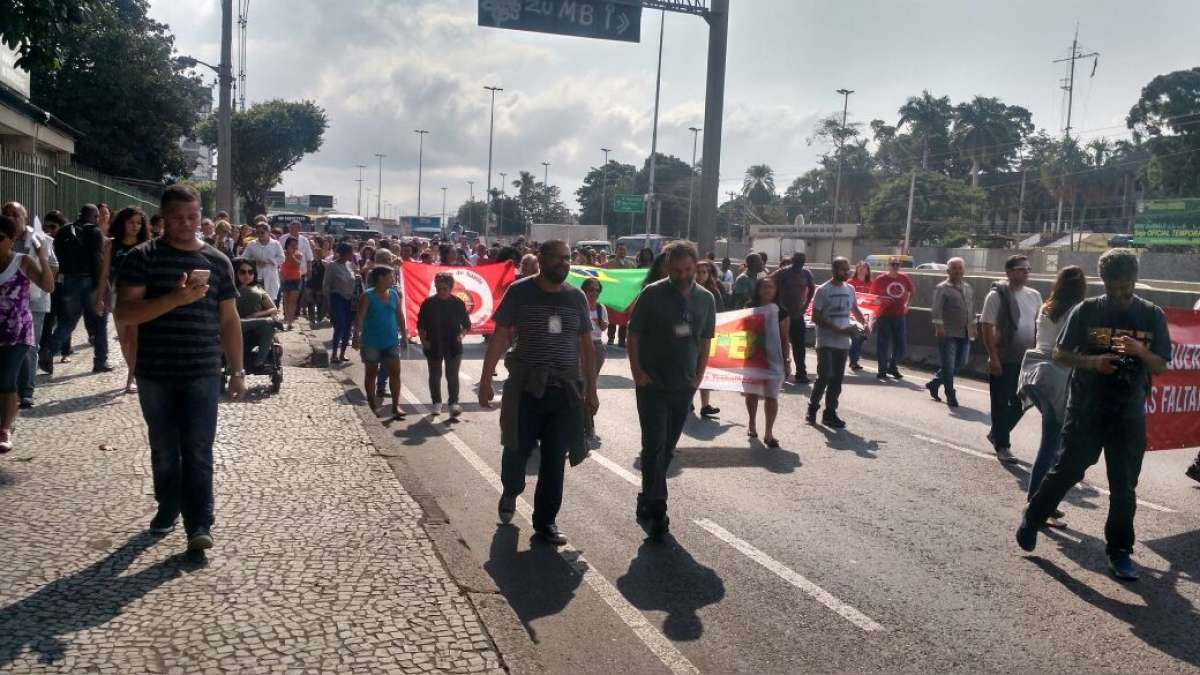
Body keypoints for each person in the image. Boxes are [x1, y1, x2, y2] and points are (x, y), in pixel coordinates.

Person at [1017, 249, 1170, 581]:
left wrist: (1141, 351)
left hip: (1128, 411)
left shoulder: (1151, 315)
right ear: (1104, 282)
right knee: (1069, 468)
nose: (1119, 295)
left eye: (1126, 288)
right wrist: (1092, 363)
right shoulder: (1086, 311)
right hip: (1087, 407)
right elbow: (1058, 354)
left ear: (1134, 280)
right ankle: (1033, 515)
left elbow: (1161, 364)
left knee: (1124, 485)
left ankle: (1119, 551)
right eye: (1114, 288)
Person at [115, 185, 245, 555]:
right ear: (162, 218)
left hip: (203, 370)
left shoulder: (218, 261)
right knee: (164, 447)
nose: (186, 225)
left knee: (199, 449)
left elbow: (229, 319)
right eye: (177, 218)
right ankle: (168, 504)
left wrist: (237, 370)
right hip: (156, 371)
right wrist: (177, 298)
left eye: (192, 216)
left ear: (200, 213)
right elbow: (125, 313)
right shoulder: (142, 258)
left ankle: (199, 523)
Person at [479, 240, 599, 547]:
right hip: (526, 388)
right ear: (542, 259)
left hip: (564, 391)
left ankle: (546, 521)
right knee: (516, 449)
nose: (564, 263)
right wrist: (485, 380)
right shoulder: (519, 292)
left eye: (567, 258)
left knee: (555, 457)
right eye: (558, 258)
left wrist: (591, 390)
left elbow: (586, 344)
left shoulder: (576, 299)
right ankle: (510, 489)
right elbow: (502, 335)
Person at [628, 242, 716, 538]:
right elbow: (634, 333)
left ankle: (646, 495)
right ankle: (658, 509)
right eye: (677, 270)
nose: (683, 275)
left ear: (696, 266)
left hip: (683, 385)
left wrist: (698, 376)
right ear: (667, 267)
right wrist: (637, 372)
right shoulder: (652, 294)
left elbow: (705, 340)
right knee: (654, 443)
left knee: (666, 447)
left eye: (688, 270)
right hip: (652, 383)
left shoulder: (706, 299)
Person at [1018, 266, 1086, 528]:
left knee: (1052, 443)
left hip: (1036, 374)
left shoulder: (1047, 307)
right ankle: (1037, 506)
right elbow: (1073, 348)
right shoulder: (1076, 311)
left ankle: (1044, 502)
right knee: (1052, 446)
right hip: (1058, 377)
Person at [0, 214, 55, 452]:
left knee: (6, 379)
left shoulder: (22, 262)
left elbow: (48, 286)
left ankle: (4, 429)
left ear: (11, 239)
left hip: (17, 332)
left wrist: (43, 258)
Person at [981, 254, 1043, 463]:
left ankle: (998, 433)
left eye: (1028, 269)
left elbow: (1039, 326)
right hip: (1003, 355)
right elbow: (986, 326)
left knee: (1024, 400)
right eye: (1021, 269)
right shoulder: (996, 296)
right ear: (1009, 272)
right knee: (1000, 402)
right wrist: (993, 357)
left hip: (1027, 358)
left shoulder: (1034, 295)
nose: (1026, 272)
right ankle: (1003, 446)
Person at [41, 204, 110, 374]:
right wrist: (103, 286)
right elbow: (97, 259)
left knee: (68, 321)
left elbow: (56, 255)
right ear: (94, 217)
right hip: (88, 280)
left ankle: (48, 349)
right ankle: (100, 361)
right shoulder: (93, 231)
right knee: (100, 321)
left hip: (67, 281)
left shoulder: (64, 230)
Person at [96, 207, 150, 394]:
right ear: (123, 223)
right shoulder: (112, 245)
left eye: (138, 223)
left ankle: (131, 378)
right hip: (117, 296)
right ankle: (133, 372)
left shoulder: (146, 245)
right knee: (124, 340)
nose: (135, 226)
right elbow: (104, 274)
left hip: (140, 296)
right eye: (131, 222)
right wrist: (99, 298)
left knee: (134, 338)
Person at [807, 257, 866, 430]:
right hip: (826, 340)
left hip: (843, 342)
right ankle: (813, 407)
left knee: (837, 380)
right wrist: (836, 329)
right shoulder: (823, 291)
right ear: (834, 271)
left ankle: (830, 413)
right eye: (843, 270)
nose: (846, 272)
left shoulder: (850, 289)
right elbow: (815, 317)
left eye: (848, 269)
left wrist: (864, 324)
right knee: (825, 375)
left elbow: (854, 309)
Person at [352, 265, 405, 418]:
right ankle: (372, 404)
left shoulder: (394, 294)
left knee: (395, 373)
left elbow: (399, 315)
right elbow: (360, 318)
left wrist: (405, 335)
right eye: (390, 277)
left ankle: (396, 406)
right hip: (371, 343)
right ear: (381, 278)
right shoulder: (367, 296)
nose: (393, 279)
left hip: (391, 341)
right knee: (371, 374)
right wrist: (356, 337)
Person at [743, 276, 789, 447]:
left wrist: (787, 361)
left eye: (771, 287)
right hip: (754, 356)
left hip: (773, 360)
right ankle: (752, 424)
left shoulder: (781, 311)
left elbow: (785, 338)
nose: (768, 290)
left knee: (772, 395)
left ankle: (769, 432)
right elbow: (742, 330)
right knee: (752, 393)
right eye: (764, 287)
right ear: (758, 290)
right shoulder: (749, 308)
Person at [418, 272, 471, 417]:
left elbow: (466, 324)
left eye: (444, 288)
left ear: (451, 288)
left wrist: (461, 335)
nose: (441, 291)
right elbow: (421, 325)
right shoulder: (428, 303)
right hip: (434, 343)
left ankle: (453, 403)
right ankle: (436, 402)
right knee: (435, 374)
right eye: (438, 288)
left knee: (452, 375)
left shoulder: (458, 303)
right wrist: (424, 341)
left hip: (453, 344)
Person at [926, 257, 975, 408]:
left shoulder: (968, 288)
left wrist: (974, 327)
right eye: (954, 268)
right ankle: (950, 394)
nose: (958, 271)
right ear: (948, 271)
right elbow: (936, 309)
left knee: (960, 363)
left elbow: (971, 309)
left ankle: (935, 383)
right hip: (948, 332)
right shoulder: (942, 288)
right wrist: (939, 327)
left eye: (960, 268)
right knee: (949, 364)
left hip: (965, 331)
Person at [771, 252, 816, 384]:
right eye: (797, 262)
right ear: (792, 261)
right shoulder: (782, 273)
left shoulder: (806, 273)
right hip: (782, 313)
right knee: (780, 343)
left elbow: (812, 288)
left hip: (797, 314)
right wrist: (775, 302)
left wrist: (806, 305)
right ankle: (778, 371)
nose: (799, 265)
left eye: (802, 262)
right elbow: (768, 282)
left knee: (799, 345)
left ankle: (801, 373)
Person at [869, 256, 914, 380]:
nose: (895, 266)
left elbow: (911, 291)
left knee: (900, 345)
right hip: (884, 315)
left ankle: (893, 366)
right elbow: (872, 296)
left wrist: (907, 305)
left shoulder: (904, 277)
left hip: (899, 315)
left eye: (897, 264)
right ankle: (882, 370)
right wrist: (879, 306)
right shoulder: (880, 279)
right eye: (893, 264)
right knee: (883, 343)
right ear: (888, 265)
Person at [233, 258, 279, 370]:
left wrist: (256, 315)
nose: (247, 275)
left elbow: (273, 309)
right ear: (236, 273)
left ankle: (259, 362)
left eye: (250, 272)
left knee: (269, 327)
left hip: (255, 329)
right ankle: (267, 321)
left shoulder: (259, 289)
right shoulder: (230, 289)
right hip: (236, 326)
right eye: (243, 272)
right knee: (268, 322)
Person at [694, 259, 726, 418]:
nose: (700, 276)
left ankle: (705, 405)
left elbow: (720, 316)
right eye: (698, 272)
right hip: (690, 340)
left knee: (703, 371)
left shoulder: (713, 292)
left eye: (704, 272)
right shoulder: (688, 290)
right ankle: (687, 401)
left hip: (707, 339)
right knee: (690, 371)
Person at [580, 277, 608, 438]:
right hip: (581, 347)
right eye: (591, 289)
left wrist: (602, 323)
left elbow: (603, 327)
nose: (594, 293)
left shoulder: (600, 307)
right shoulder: (579, 305)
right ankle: (587, 425)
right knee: (583, 385)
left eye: (597, 290)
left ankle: (587, 424)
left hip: (597, 347)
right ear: (584, 290)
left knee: (591, 383)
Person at [324, 241, 358, 363]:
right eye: (350, 253)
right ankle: (334, 354)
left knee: (348, 328)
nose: (352, 255)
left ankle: (342, 353)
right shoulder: (332, 266)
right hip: (337, 298)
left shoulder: (350, 265)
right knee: (340, 326)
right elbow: (326, 285)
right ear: (344, 253)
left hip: (349, 300)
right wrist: (328, 303)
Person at [242, 222, 284, 301]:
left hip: (270, 276)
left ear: (268, 232)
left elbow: (282, 258)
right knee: (256, 300)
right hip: (255, 277)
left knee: (271, 301)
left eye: (262, 232)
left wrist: (269, 261)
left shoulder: (275, 244)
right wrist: (255, 262)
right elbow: (244, 258)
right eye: (258, 232)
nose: (260, 234)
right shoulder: (251, 244)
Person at [846, 260, 871, 371]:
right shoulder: (850, 282)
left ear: (867, 271)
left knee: (861, 338)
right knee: (856, 337)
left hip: (866, 315)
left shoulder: (871, 283)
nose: (862, 269)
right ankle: (854, 361)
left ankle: (853, 359)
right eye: (859, 267)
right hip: (852, 313)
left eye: (864, 267)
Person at [279, 236, 303, 330]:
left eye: (295, 245)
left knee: (293, 301)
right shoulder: (282, 253)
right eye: (291, 245)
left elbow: (297, 264)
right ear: (287, 245)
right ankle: (287, 318)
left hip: (295, 279)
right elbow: (280, 266)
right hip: (285, 279)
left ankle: (290, 321)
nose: (294, 247)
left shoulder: (298, 254)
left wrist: (290, 254)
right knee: (286, 300)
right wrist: (281, 277)